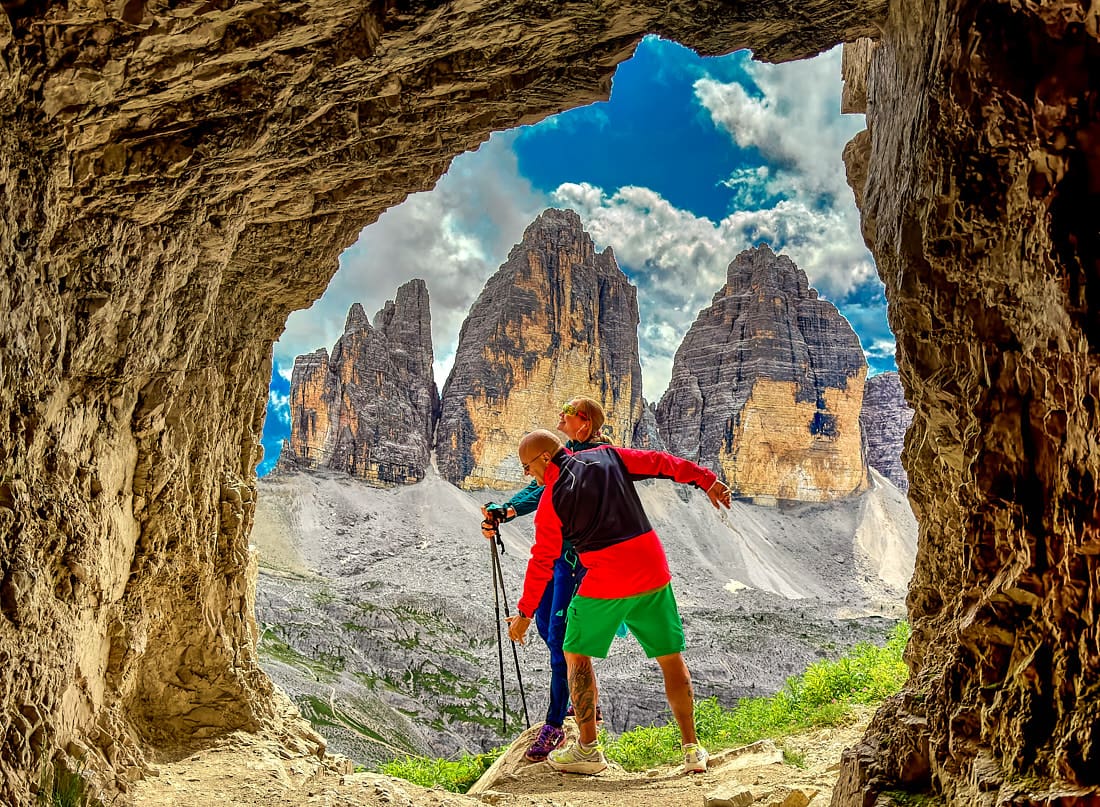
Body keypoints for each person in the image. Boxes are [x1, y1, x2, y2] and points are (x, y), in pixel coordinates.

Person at [505, 429, 732, 775]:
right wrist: (707, 480)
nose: (526, 473)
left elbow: (541, 562)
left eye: (527, 466)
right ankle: (692, 750)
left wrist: (524, 613)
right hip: (652, 568)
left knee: (574, 651)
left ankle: (588, 750)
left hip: (607, 577)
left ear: (546, 458)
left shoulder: (550, 500)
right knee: (670, 657)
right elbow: (661, 462)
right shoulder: (608, 455)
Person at [480, 397, 610, 762]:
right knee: (545, 625)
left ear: (583, 423)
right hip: (559, 559)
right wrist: (506, 509)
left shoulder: (593, 459)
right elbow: (540, 487)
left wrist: (509, 510)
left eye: (565, 416)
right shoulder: (570, 452)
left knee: (559, 639)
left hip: (575, 562)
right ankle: (582, 698)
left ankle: (555, 725)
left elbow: (546, 489)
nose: (559, 422)